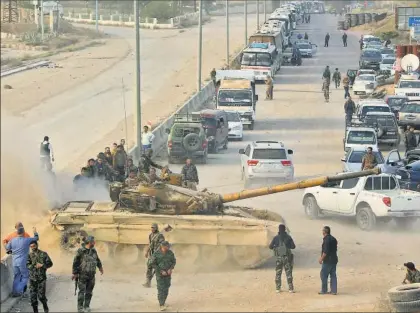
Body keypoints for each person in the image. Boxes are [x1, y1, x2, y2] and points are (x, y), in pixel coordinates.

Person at [72, 236, 104, 313]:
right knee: (82, 292)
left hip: (92, 275)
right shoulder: (81, 251)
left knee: (89, 292)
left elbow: (97, 259)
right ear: (89, 242)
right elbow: (75, 262)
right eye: (93, 241)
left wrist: (100, 267)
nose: (94, 243)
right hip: (83, 275)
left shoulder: (93, 251)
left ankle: (86, 306)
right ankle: (80, 308)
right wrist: (75, 273)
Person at [5, 226, 39, 297]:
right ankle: (19, 290)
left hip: (15, 262)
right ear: (23, 233)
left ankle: (14, 292)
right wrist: (35, 231)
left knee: (17, 276)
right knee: (25, 276)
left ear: (17, 232)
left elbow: (7, 248)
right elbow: (36, 238)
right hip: (22, 262)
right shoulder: (27, 240)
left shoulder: (12, 240)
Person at [148, 241, 176, 311]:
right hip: (160, 274)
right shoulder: (156, 254)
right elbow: (151, 263)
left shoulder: (170, 253)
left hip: (168, 274)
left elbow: (174, 261)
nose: (168, 247)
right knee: (161, 289)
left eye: (168, 246)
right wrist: (160, 271)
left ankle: (163, 301)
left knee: (167, 287)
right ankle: (161, 304)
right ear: (162, 246)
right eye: (167, 246)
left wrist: (171, 268)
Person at [27, 241, 53, 313]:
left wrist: (42, 265)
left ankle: (45, 307)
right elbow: (27, 265)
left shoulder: (43, 254)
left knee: (41, 296)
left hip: (41, 279)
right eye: (31, 247)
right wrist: (33, 265)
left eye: (34, 246)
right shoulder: (29, 255)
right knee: (33, 298)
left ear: (37, 245)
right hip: (32, 279)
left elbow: (50, 264)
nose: (33, 248)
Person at [269, 224, 296, 293]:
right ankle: (290, 288)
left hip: (279, 258)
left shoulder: (276, 238)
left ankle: (278, 288)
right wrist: (288, 246)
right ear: (285, 229)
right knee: (288, 272)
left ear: (279, 229)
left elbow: (270, 246)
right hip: (287, 258)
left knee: (278, 273)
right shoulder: (288, 237)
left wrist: (276, 246)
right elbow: (293, 246)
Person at [143, 223, 166, 288]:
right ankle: (148, 282)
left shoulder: (160, 235)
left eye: (153, 227)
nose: (152, 229)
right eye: (151, 227)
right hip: (151, 254)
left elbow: (162, 245)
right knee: (149, 268)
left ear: (156, 228)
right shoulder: (150, 235)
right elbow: (150, 244)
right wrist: (147, 252)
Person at [319, 226, 338, 295]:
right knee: (333, 275)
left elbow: (325, 251)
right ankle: (334, 291)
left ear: (324, 231)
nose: (322, 232)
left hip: (328, 261)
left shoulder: (326, 240)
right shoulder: (333, 239)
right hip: (334, 260)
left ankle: (324, 290)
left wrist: (321, 259)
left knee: (323, 274)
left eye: (322, 230)